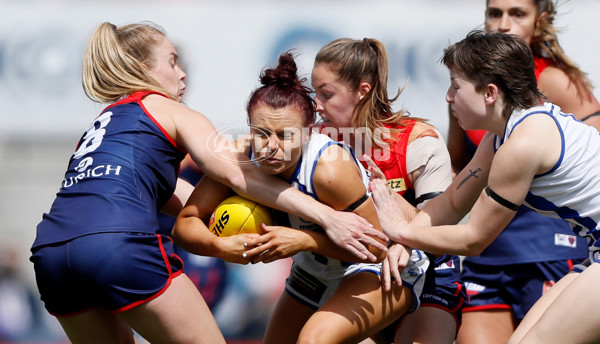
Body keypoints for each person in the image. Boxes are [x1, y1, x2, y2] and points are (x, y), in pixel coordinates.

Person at [28, 21, 387, 344]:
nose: (182, 74)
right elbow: (239, 175)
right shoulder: (164, 107)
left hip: (51, 253)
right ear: (142, 70)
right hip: (117, 244)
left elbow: (177, 198)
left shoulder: (104, 123)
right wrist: (326, 218)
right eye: (172, 62)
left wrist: (219, 235)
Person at [172, 51, 429, 344]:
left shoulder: (328, 169)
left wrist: (304, 241)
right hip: (314, 271)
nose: (271, 147)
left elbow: (379, 247)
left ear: (308, 133)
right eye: (262, 133)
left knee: (313, 340)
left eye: (285, 135)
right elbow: (185, 224)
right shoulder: (241, 159)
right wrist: (220, 246)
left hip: (381, 268)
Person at [369, 29, 600, 344]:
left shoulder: (523, 143)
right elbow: (451, 202)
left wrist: (400, 231)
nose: (448, 97)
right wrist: (406, 242)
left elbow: (473, 239)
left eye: (455, 86)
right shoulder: (506, 133)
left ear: (490, 93)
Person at [446, 0, 592, 344]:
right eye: (494, 13)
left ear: (540, 21)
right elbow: (459, 170)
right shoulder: (467, 87)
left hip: (548, 249)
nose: (504, 24)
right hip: (487, 248)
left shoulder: (556, 81)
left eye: (517, 13)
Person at [310, 37, 467, 343]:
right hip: (356, 273)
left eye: (326, 94)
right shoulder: (316, 142)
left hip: (431, 271)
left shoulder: (418, 141)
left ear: (362, 92)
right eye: (313, 93)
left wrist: (384, 197)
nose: (316, 105)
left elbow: (441, 228)